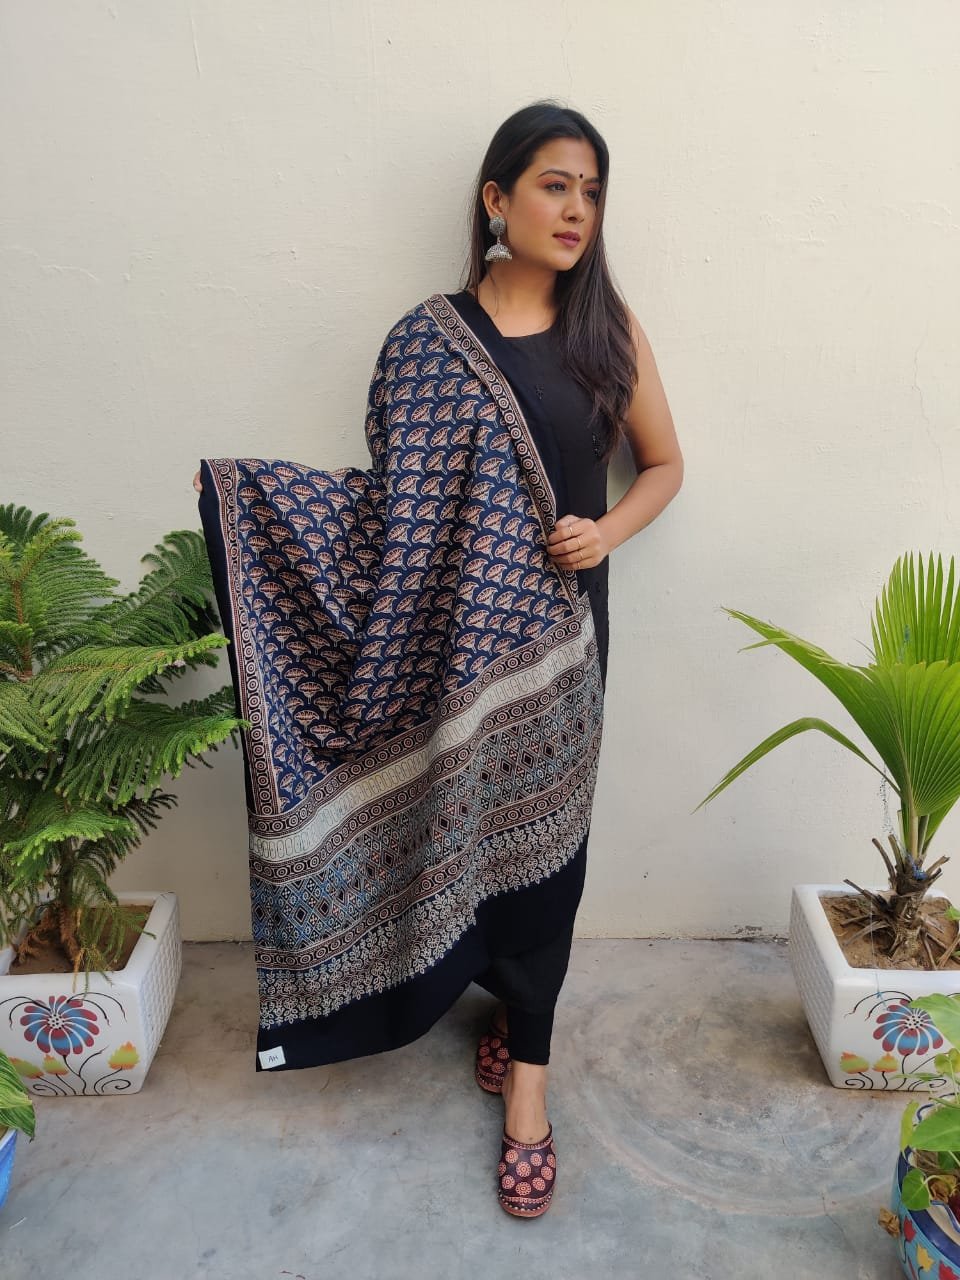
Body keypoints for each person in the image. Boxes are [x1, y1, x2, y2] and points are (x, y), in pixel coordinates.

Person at [194, 100, 682, 1219]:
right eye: (555, 184)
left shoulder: (608, 332)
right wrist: (255, 503)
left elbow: (663, 464)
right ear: (497, 197)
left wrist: (606, 531)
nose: (577, 209)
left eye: (593, 191)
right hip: (451, 648)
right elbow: (390, 517)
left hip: (562, 645)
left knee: (550, 852)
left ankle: (529, 1083)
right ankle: (495, 1001)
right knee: (465, 827)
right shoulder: (425, 342)